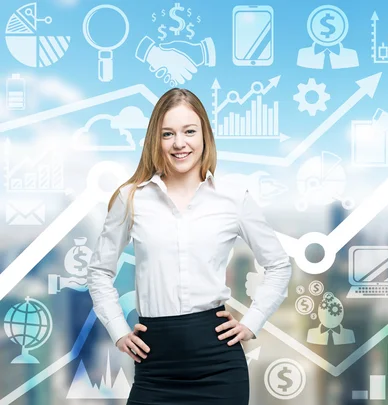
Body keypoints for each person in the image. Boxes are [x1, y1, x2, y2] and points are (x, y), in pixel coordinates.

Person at [87, 88, 292, 404]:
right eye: (167, 133)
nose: (179, 143)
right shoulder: (131, 198)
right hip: (154, 366)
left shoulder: (233, 198)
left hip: (219, 367)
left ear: (204, 136)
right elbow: (99, 272)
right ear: (156, 140)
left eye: (189, 131)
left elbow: (279, 264)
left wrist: (253, 321)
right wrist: (117, 330)